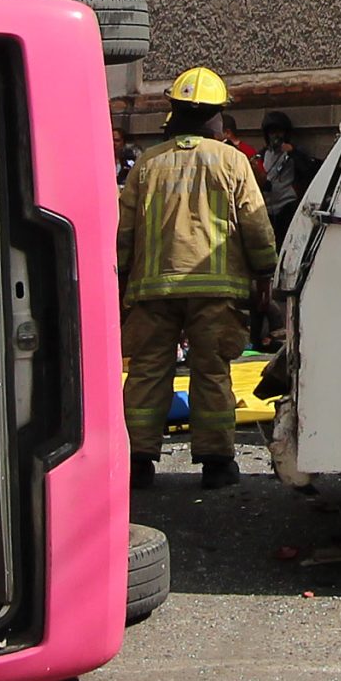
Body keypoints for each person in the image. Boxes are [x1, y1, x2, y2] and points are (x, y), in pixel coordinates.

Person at [120, 66, 277, 490]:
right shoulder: (233, 161)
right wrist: (266, 273)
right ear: (214, 116)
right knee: (212, 372)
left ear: (174, 112)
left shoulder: (146, 166)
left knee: (148, 373)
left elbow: (125, 232)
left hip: (153, 290)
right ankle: (217, 463)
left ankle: (137, 462)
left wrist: (120, 284)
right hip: (215, 292)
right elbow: (256, 225)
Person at [258, 111, 323, 242]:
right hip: (269, 205)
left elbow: (308, 169)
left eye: (279, 132)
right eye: (272, 133)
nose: (276, 136)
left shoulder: (294, 152)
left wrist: (293, 153)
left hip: (287, 205)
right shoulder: (264, 154)